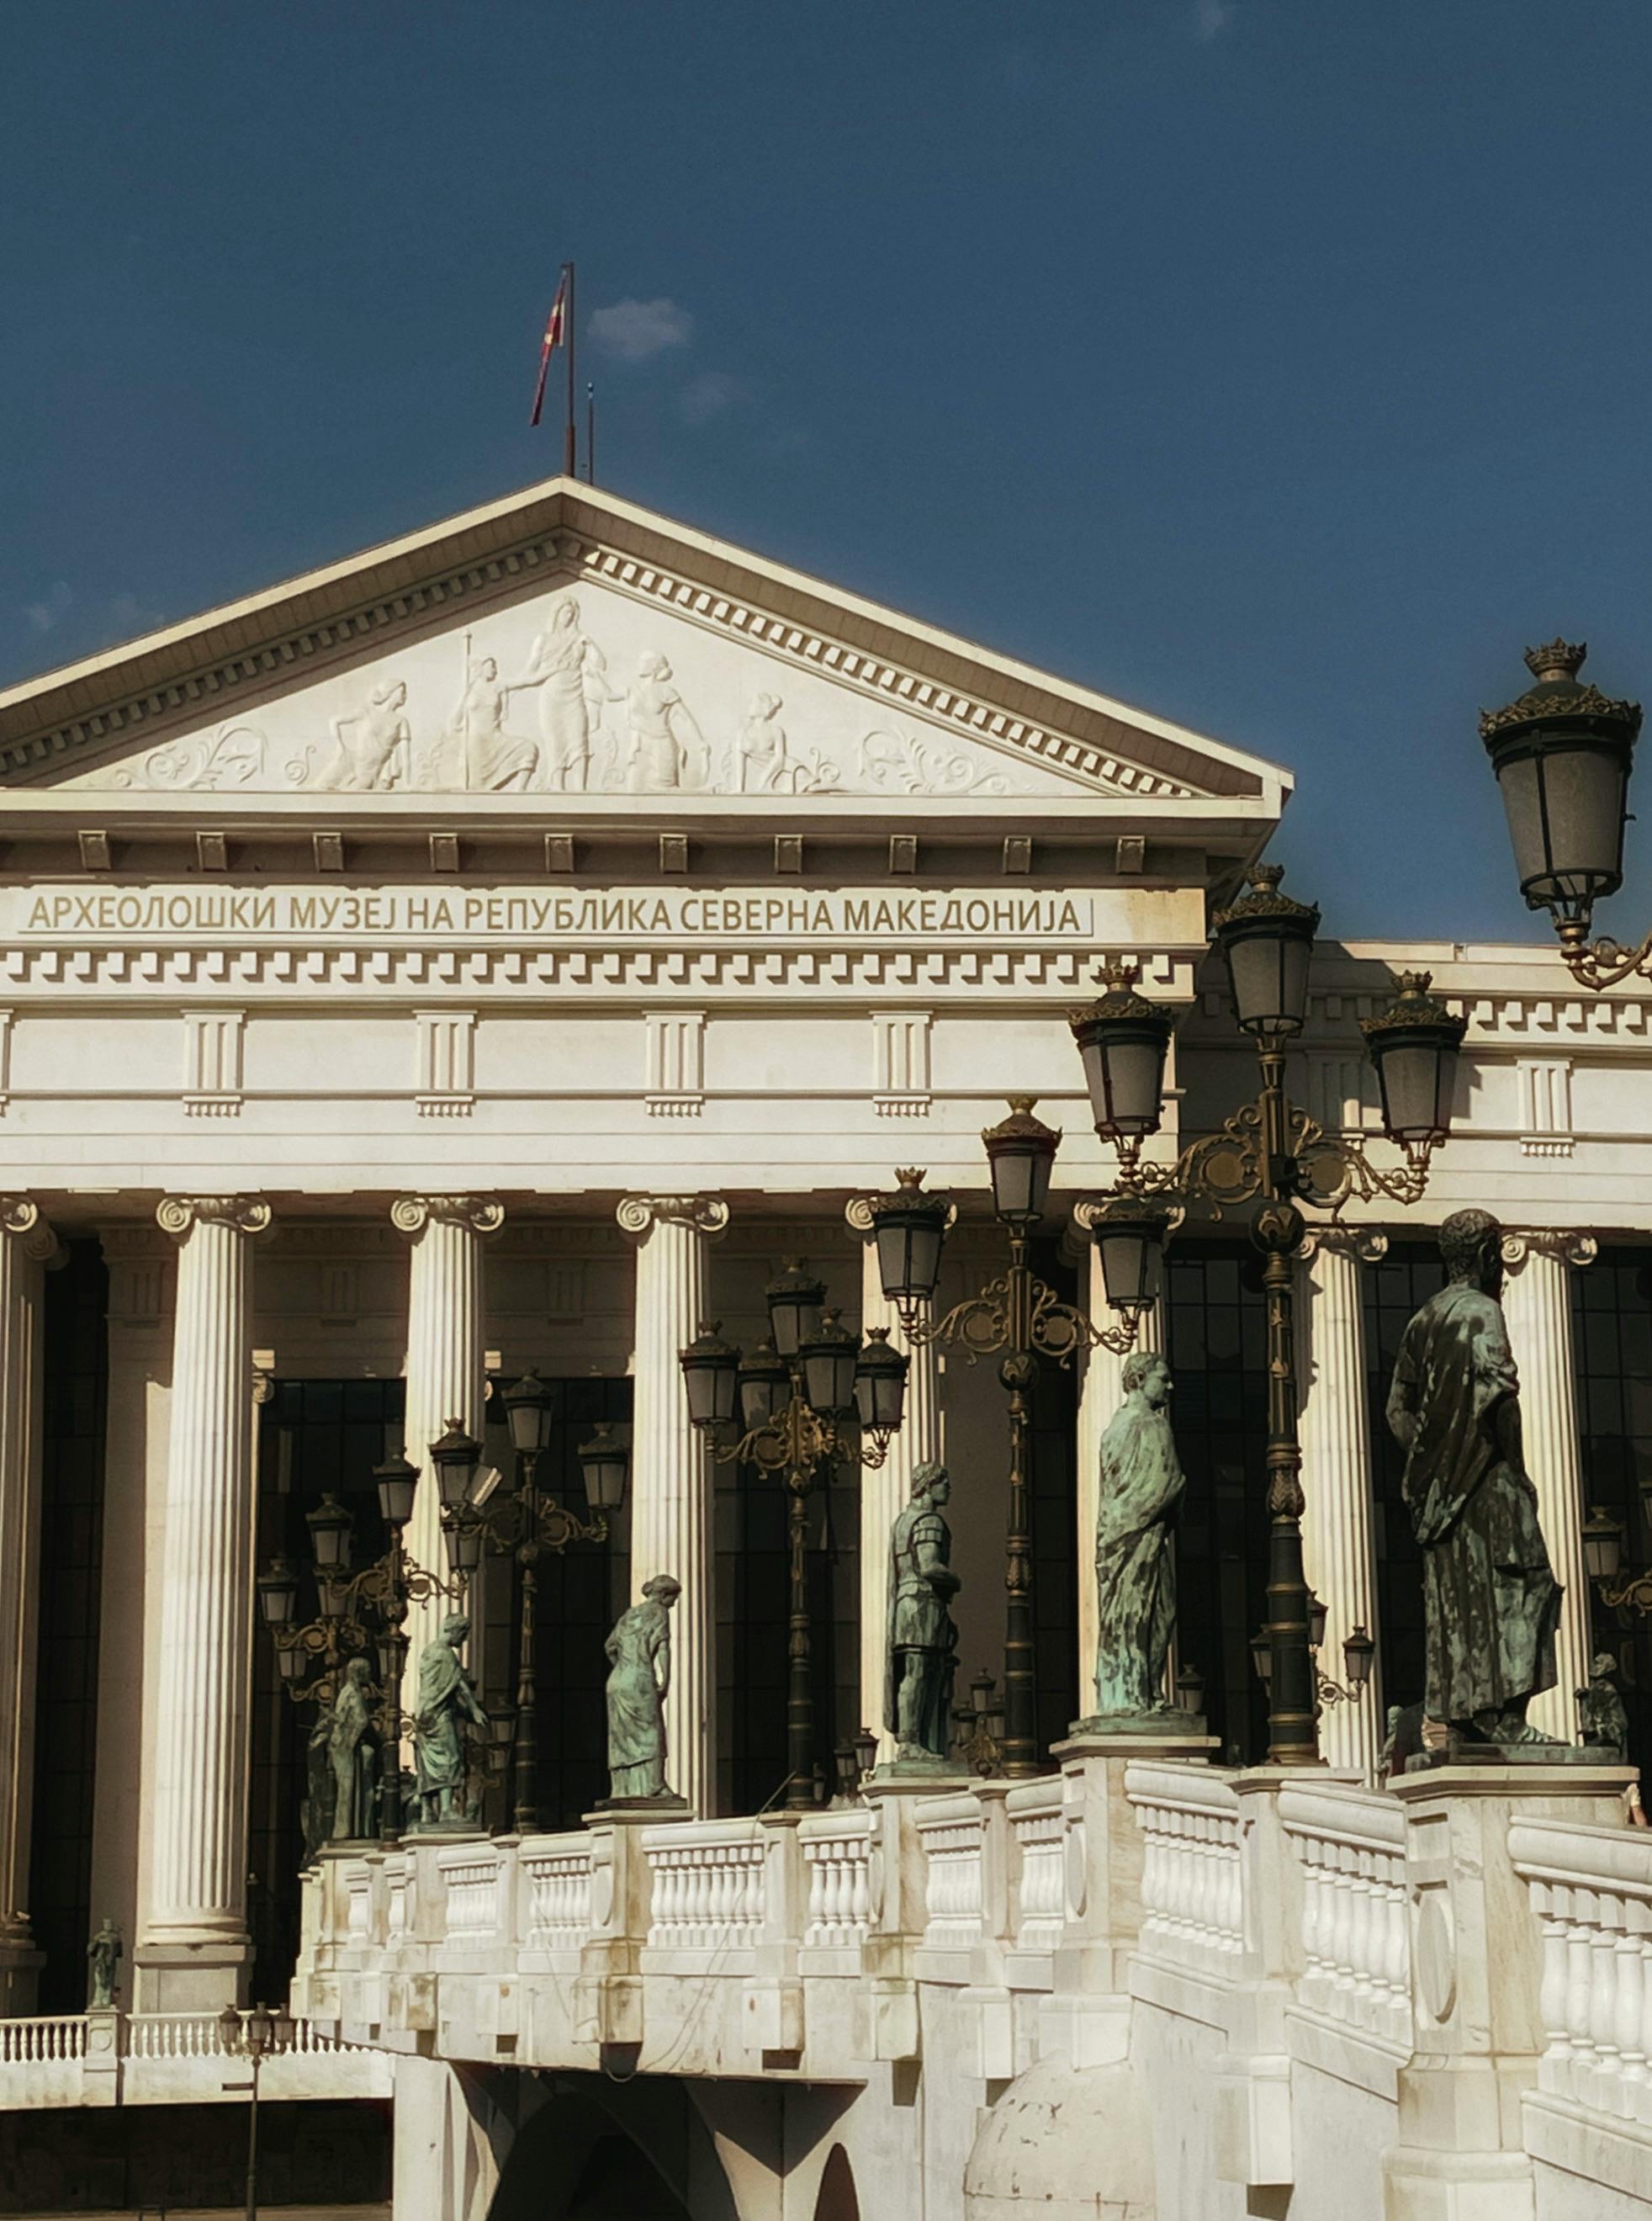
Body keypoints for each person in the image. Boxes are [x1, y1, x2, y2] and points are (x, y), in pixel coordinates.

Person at [1385, 1208, 1562, 1746]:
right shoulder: (1483, 1312)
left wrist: (1430, 1458)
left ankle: (1464, 1718)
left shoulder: (1422, 1320)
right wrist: (1519, 1472)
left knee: (1459, 1600)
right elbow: (1500, 1399)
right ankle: (1508, 1719)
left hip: (1437, 1493)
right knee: (1525, 1585)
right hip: (1487, 1476)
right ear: (1486, 1256)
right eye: (1498, 1255)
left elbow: (1397, 1409)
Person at [1093, 1352, 1185, 1717]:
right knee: (1152, 1613)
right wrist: (1177, 1494)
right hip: (1143, 1534)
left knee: (1127, 1617)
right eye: (1163, 1378)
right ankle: (1138, 1696)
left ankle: (1131, 1693)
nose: (1170, 1386)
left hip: (1115, 1536)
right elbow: (1167, 1483)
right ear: (1139, 1380)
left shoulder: (1113, 1428)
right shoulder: (1154, 1426)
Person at [884, 1462, 961, 1759]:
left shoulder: (902, 1522)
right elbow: (930, 1567)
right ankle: (911, 1741)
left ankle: (912, 1740)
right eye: (944, 1482)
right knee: (919, 1673)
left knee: (913, 1672)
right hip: (922, 1604)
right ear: (928, 1485)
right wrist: (956, 1581)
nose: (949, 1488)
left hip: (906, 1603)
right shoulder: (930, 1521)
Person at [518, 599, 620, 792]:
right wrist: (512, 685)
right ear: (557, 614)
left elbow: (600, 664)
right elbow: (531, 669)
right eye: (566, 613)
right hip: (552, 696)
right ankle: (558, 788)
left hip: (575, 695)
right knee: (555, 741)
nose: (569, 617)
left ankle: (580, 788)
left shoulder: (580, 639)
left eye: (573, 614)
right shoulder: (544, 639)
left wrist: (590, 643)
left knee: (579, 738)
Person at [604, 1574, 682, 1800]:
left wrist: (623, 1668)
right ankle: (655, 1786)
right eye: (674, 1599)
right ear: (664, 1595)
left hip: (617, 1680)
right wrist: (665, 1680)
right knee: (653, 1732)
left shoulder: (628, 1615)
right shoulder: (659, 1612)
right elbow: (663, 1649)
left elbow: (609, 1647)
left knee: (621, 1738)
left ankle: (621, 1789)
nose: (674, 1604)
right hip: (639, 1678)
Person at [413, 1615, 489, 1826]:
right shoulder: (446, 1655)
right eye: (463, 1635)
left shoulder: (428, 1651)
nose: (464, 1641)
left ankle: (427, 1812)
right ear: (455, 1631)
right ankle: (446, 1810)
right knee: (450, 1758)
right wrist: (474, 1709)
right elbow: (459, 1685)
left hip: (423, 1715)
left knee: (426, 1765)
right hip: (439, 1716)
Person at [625, 653, 707, 792]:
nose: (639, 664)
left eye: (644, 662)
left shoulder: (666, 691)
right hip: (639, 747)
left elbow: (686, 718)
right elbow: (608, 695)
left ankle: (702, 795)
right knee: (633, 790)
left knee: (665, 789)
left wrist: (700, 741)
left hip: (661, 746)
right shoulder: (631, 690)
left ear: (654, 667)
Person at [328, 1656, 379, 1842]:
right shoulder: (352, 1693)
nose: (370, 1675)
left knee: (351, 1790)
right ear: (358, 1673)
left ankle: (354, 1828)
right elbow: (360, 1720)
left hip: (347, 1748)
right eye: (367, 1671)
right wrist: (377, 1734)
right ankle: (349, 1829)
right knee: (349, 1789)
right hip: (349, 1750)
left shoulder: (348, 1691)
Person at [86, 1917, 121, 2009]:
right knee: (100, 1982)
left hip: (109, 1963)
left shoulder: (115, 1938)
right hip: (100, 1963)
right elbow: (90, 1950)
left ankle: (106, 2000)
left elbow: (119, 1952)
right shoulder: (99, 1937)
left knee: (108, 1982)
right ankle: (99, 2000)